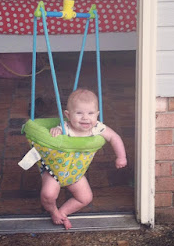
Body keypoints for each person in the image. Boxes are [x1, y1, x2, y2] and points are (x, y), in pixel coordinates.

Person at [41, 88, 127, 230]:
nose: (85, 118)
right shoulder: (65, 128)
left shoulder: (97, 127)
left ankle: (62, 213)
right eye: (79, 113)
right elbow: (55, 135)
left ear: (97, 115)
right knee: (48, 194)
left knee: (85, 198)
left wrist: (121, 157)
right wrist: (56, 131)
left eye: (90, 113)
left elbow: (114, 137)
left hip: (76, 172)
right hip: (55, 170)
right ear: (68, 115)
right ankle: (53, 211)